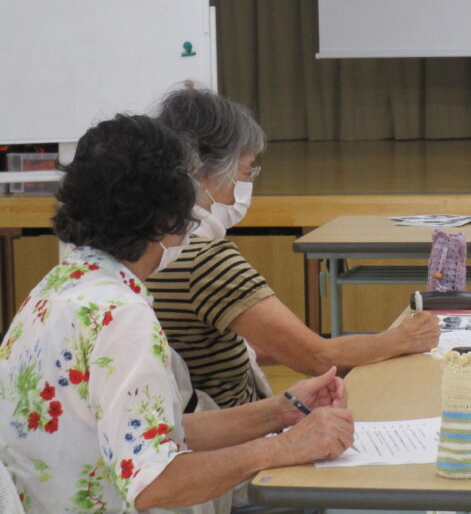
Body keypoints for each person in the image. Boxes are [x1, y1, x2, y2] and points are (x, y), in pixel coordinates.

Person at [0, 114, 354, 513]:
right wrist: (285, 447)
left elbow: (153, 430)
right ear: (168, 215)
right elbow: (154, 485)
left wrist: (281, 411)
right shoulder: (121, 316)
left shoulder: (58, 286)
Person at [147, 85, 439, 408]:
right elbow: (318, 357)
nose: (245, 186)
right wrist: (402, 338)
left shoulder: (148, 246)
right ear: (206, 174)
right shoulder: (207, 261)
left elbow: (209, 346)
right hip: (237, 433)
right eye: (246, 171)